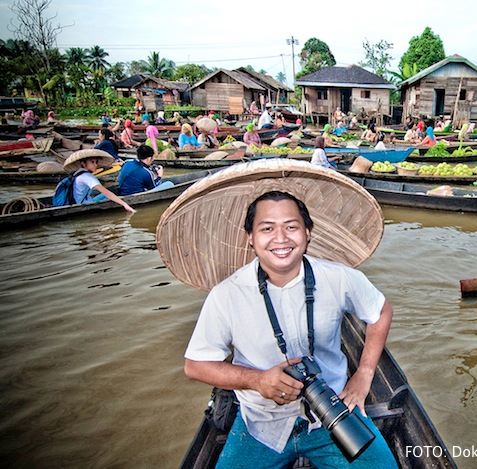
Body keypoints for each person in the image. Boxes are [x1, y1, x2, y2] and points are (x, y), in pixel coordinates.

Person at [158, 159, 395, 469]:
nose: (281, 238)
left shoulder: (340, 278)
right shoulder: (227, 294)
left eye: (291, 226)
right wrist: (258, 381)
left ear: (308, 232)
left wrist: (363, 375)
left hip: (332, 413)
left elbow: (380, 311)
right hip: (260, 422)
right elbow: (195, 366)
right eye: (267, 228)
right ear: (250, 238)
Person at [62, 149, 135, 212]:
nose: (95, 165)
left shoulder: (78, 173)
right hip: (81, 204)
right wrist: (125, 204)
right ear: (83, 164)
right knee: (108, 195)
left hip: (75, 201)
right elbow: (106, 193)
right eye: (92, 162)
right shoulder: (87, 177)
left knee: (104, 195)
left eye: (96, 162)